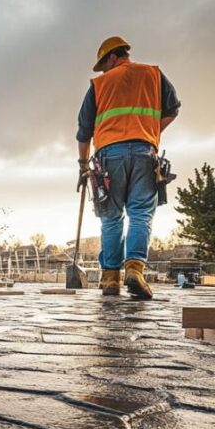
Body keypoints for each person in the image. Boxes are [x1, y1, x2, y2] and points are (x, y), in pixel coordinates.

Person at [76, 36, 180, 299]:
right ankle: (134, 270)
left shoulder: (99, 85)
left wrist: (82, 164)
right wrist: (150, 132)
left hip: (109, 155)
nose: (105, 71)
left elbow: (84, 131)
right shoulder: (153, 75)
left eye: (105, 65)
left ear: (112, 57)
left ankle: (110, 279)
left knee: (111, 217)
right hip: (145, 153)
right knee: (141, 214)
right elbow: (173, 109)